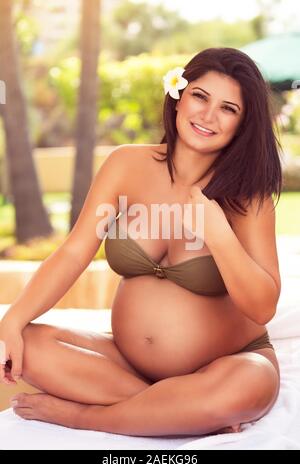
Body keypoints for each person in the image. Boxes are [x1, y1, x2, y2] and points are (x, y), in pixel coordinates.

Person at [0, 47, 282, 437]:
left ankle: (86, 415)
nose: (207, 116)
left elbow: (263, 305)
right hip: (126, 362)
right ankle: (169, 408)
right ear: (179, 96)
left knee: (244, 386)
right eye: (200, 96)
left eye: (228, 108)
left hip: (227, 364)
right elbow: (73, 252)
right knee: (25, 344)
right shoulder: (126, 165)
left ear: (242, 123)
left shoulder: (249, 198)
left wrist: (218, 234)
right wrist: (12, 320)